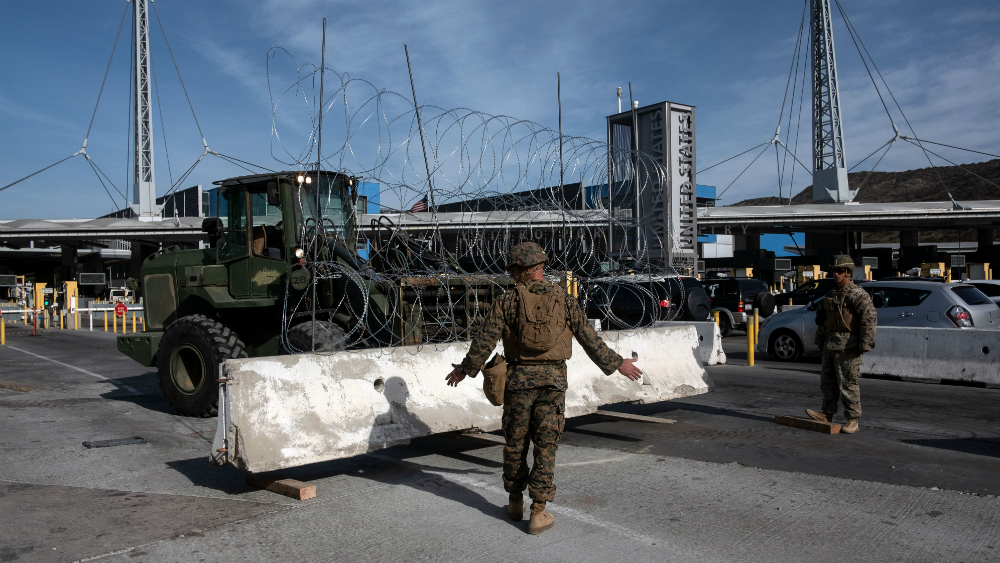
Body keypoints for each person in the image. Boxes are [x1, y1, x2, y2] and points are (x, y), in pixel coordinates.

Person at [445, 242, 643, 534]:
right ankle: (538, 512)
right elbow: (590, 339)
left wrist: (465, 369)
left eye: (513, 270)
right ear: (539, 267)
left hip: (518, 384)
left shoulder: (507, 301)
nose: (512, 275)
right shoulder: (564, 300)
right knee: (545, 446)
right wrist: (616, 364)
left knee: (515, 444)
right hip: (552, 384)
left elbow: (484, 342)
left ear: (521, 270)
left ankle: (514, 502)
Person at [806, 255, 877, 434]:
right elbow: (824, 321)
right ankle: (827, 413)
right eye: (833, 271)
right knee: (827, 382)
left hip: (849, 346)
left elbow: (869, 320)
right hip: (831, 344)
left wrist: (865, 343)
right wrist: (820, 339)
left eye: (839, 271)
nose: (836, 274)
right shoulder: (831, 295)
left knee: (848, 383)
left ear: (848, 273)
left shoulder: (858, 294)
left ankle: (852, 419)